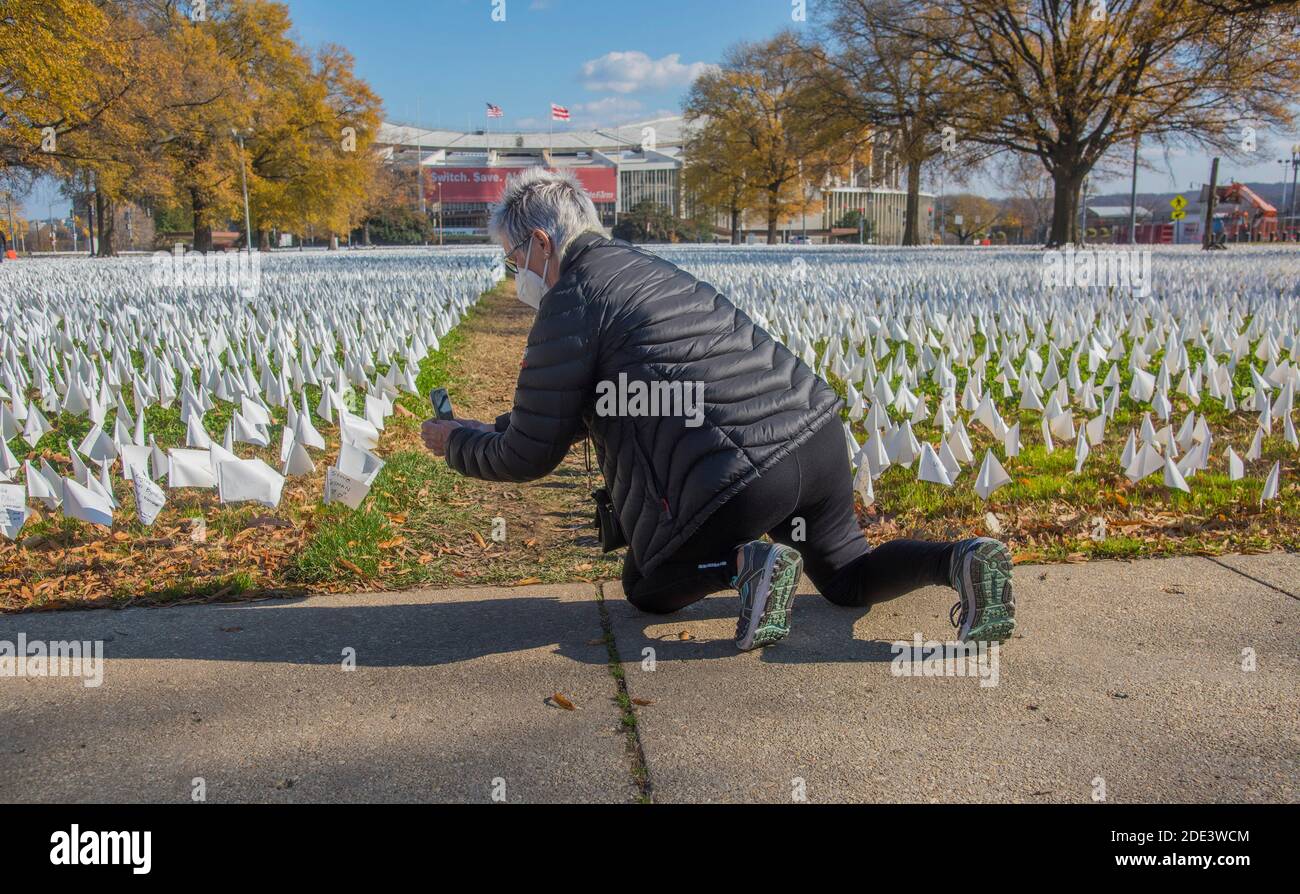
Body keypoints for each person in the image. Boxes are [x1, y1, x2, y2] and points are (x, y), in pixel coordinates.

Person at [422, 168, 1015, 651]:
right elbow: (571, 410)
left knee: (646, 589)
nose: (516, 274)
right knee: (846, 576)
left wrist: (454, 443)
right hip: (815, 433)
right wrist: (486, 428)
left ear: (543, 243)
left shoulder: (571, 300)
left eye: (513, 258)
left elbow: (529, 456)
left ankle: (749, 564)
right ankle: (961, 560)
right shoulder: (643, 269)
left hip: (740, 475)